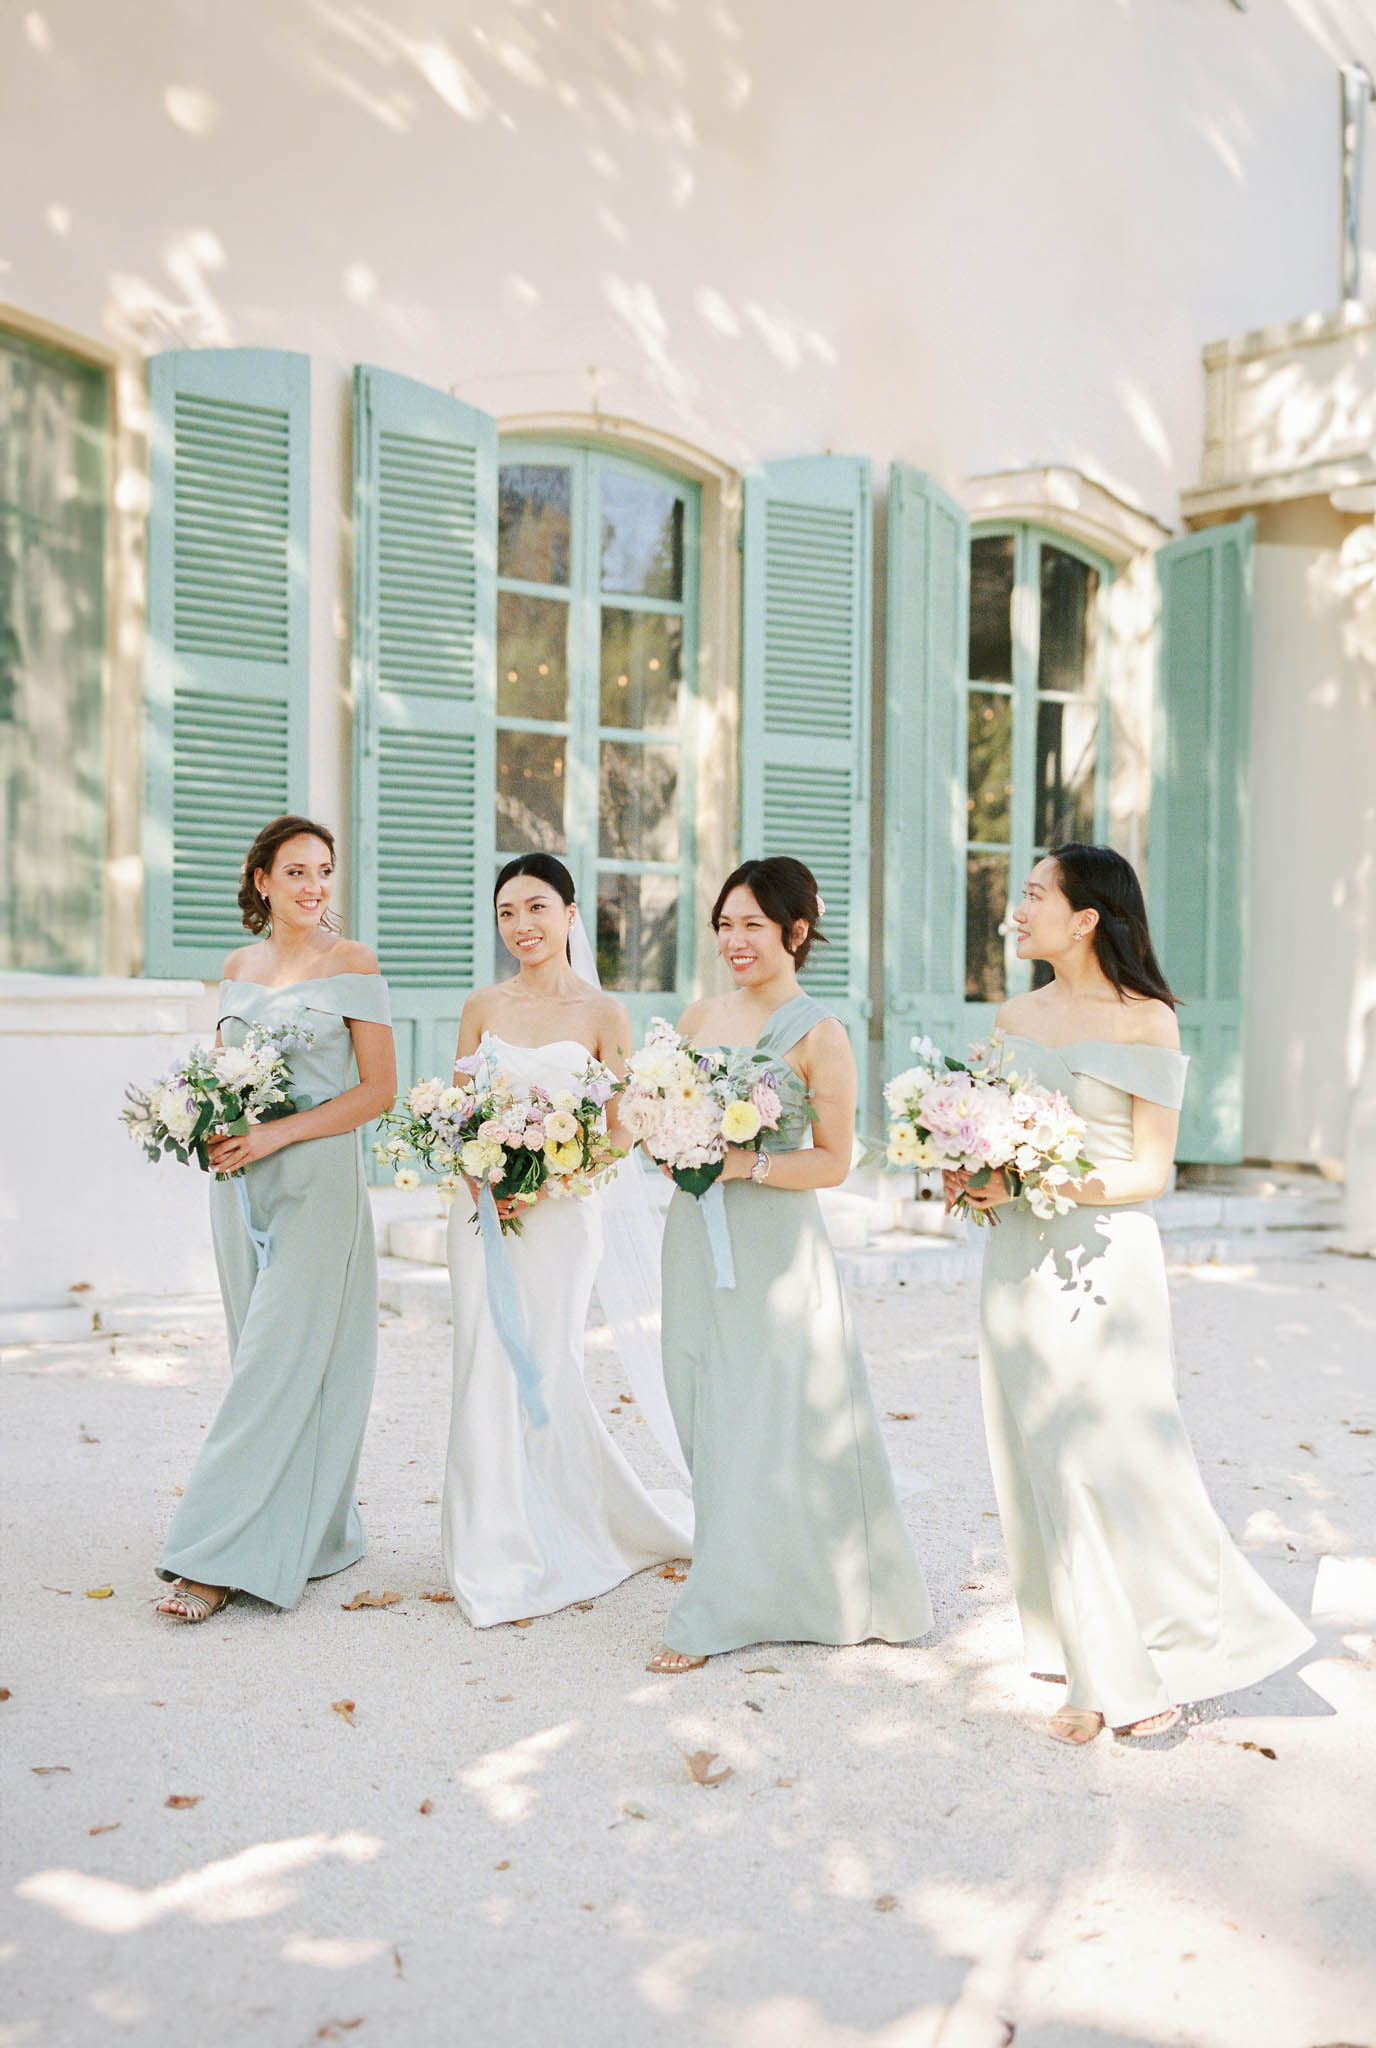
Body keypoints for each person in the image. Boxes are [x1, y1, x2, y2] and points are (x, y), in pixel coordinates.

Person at [949, 843, 1315, 1742]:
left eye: (1035, 894)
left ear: (1085, 918)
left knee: (1111, 1460)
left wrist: (1035, 1177)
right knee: (1038, 1456)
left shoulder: (1148, 1021)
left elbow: (1150, 1172)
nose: (1018, 907)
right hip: (1014, 1261)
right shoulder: (1013, 1014)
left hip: (1105, 1261)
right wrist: (963, 1166)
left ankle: (1140, 1668)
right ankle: (1083, 1644)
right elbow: (982, 1133)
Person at [648, 856, 933, 1672]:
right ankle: (736, 1559)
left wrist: (748, 1166)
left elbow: (834, 1160)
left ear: (795, 933)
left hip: (775, 1243)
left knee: (768, 1411)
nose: (735, 941)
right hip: (693, 1234)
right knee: (698, 1393)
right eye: (725, 925)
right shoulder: (700, 1015)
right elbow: (653, 1111)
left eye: (753, 926)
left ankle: (725, 1607)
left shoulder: (820, 1033)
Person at [441, 852, 692, 1626]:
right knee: (482, 1356)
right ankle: (488, 1546)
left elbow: (623, 1128)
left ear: (571, 914)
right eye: (508, 912)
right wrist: (481, 1171)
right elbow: (457, 1111)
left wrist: (549, 1178)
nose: (522, 925)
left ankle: (568, 1526)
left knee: (546, 1364)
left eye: (538, 907)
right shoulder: (482, 1004)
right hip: (480, 1207)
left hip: (559, 1210)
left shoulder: (602, 1014)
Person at [157, 815, 396, 1620]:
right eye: (295, 871)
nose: (313, 886)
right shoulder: (237, 966)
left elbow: (377, 1092)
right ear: (261, 880)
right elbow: (223, 1072)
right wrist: (207, 1122)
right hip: (237, 1185)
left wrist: (274, 1134)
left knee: (279, 1359)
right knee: (259, 1355)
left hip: (316, 1181)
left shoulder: (352, 962)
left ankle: (210, 1556)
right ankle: (305, 1525)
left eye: (323, 870)